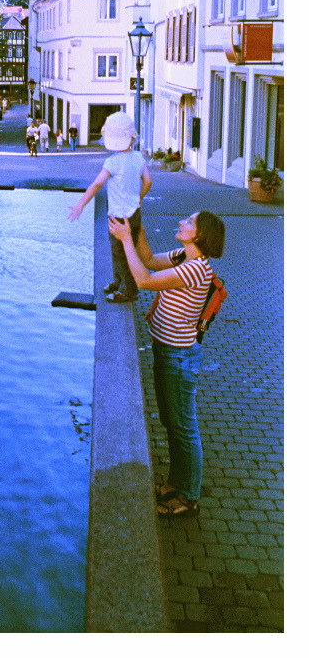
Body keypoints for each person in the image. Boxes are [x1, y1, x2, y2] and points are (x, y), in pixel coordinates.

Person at [108, 210, 225, 517]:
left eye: (189, 222)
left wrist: (124, 240)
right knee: (172, 423)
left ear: (199, 235)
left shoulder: (195, 269)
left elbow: (144, 280)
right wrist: (136, 224)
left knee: (184, 427)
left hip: (179, 357)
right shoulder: (180, 256)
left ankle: (188, 497)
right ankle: (177, 482)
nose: (182, 223)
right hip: (167, 351)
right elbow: (147, 260)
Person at [68, 111, 151, 303]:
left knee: (119, 253)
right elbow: (148, 181)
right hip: (135, 213)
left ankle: (128, 290)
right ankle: (118, 281)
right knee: (127, 251)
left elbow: (96, 184)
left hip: (118, 217)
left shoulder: (112, 162)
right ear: (131, 137)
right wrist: (138, 198)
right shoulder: (138, 158)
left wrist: (80, 204)